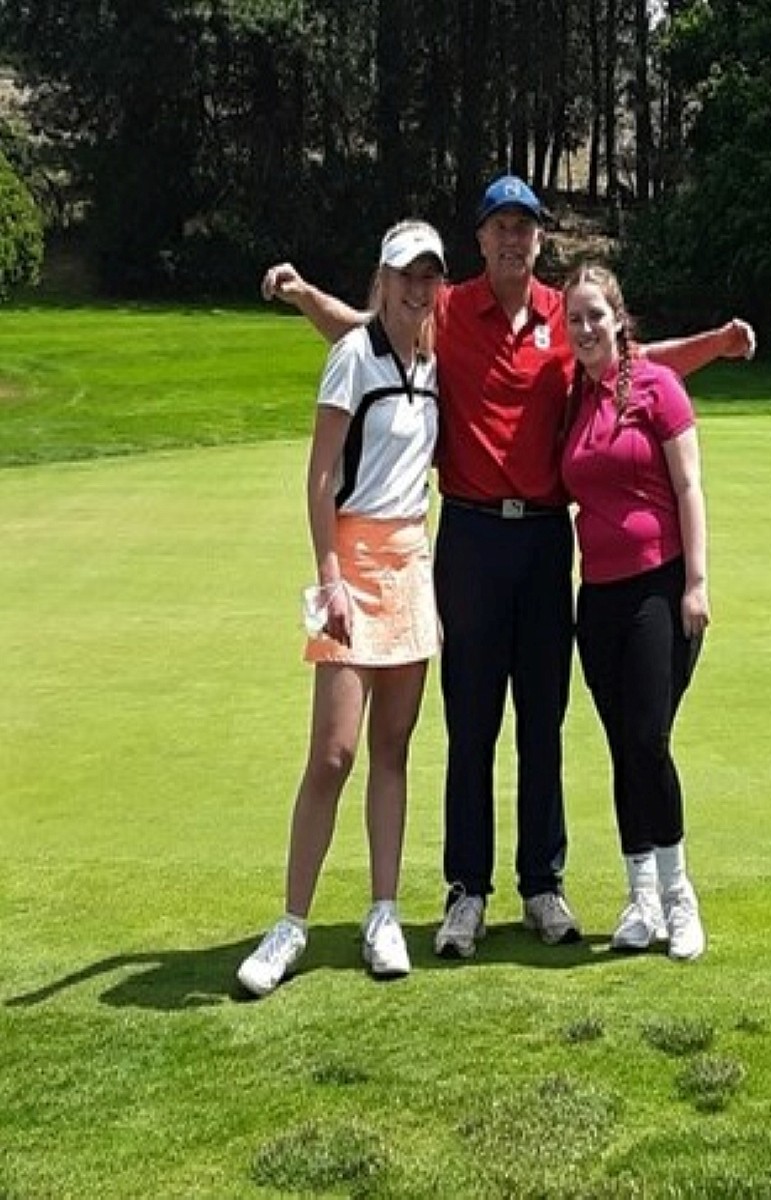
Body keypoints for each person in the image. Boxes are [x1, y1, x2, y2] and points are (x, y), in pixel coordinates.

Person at [259, 174, 754, 962]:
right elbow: (362, 328)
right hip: (470, 538)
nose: (514, 239)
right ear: (482, 239)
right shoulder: (447, 306)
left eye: (526, 228)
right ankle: (467, 891)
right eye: (500, 227)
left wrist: (718, 348)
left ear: (539, 241)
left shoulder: (567, 317)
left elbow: (635, 359)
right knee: (472, 720)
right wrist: (301, 294)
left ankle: (541, 884)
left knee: (543, 720)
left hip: (545, 541)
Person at [237, 220, 446, 996]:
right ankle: (291, 923)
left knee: (393, 749)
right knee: (334, 752)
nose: (418, 288)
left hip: (412, 562)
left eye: (429, 276)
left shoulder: (434, 358)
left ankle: (383, 913)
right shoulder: (352, 359)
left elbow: (349, 313)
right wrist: (328, 578)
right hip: (351, 561)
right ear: (383, 278)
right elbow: (320, 478)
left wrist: (300, 294)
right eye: (405, 275)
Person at [561, 262, 712, 959]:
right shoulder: (573, 400)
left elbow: (688, 488)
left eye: (596, 315)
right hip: (598, 598)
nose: (586, 328)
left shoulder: (658, 388)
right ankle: (640, 898)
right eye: (575, 320)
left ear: (619, 319)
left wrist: (697, 584)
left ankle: (679, 898)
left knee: (649, 739)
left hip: (660, 585)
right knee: (624, 748)